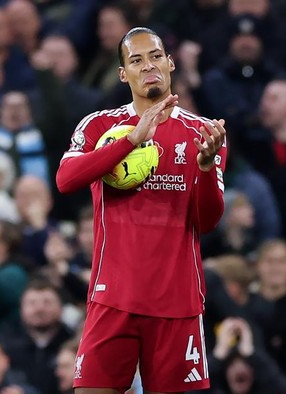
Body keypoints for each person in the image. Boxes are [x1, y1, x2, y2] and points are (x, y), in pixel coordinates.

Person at [55, 27, 227, 394]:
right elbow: (66, 180)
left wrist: (207, 166)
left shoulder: (203, 133)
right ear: (123, 74)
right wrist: (131, 139)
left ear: (170, 63)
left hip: (177, 302)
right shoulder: (101, 126)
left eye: (155, 56)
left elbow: (208, 221)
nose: (148, 65)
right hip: (112, 297)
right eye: (136, 60)